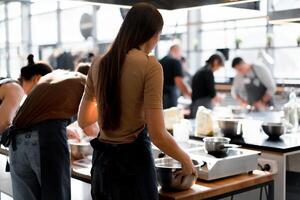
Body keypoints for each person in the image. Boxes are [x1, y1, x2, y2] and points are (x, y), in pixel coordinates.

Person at [78, 3, 196, 200]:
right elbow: (158, 134)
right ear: (153, 34)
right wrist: (186, 160)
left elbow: (84, 120)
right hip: (133, 168)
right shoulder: (150, 66)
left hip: (102, 167)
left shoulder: (99, 62)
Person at [8, 55, 86, 200]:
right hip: (46, 139)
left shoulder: (56, 78)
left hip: (16, 143)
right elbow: (90, 127)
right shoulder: (87, 85)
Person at [190, 53, 225, 118]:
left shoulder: (201, 70)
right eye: (219, 66)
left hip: (195, 103)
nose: (218, 69)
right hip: (203, 104)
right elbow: (212, 92)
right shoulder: (208, 72)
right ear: (215, 62)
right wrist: (219, 98)